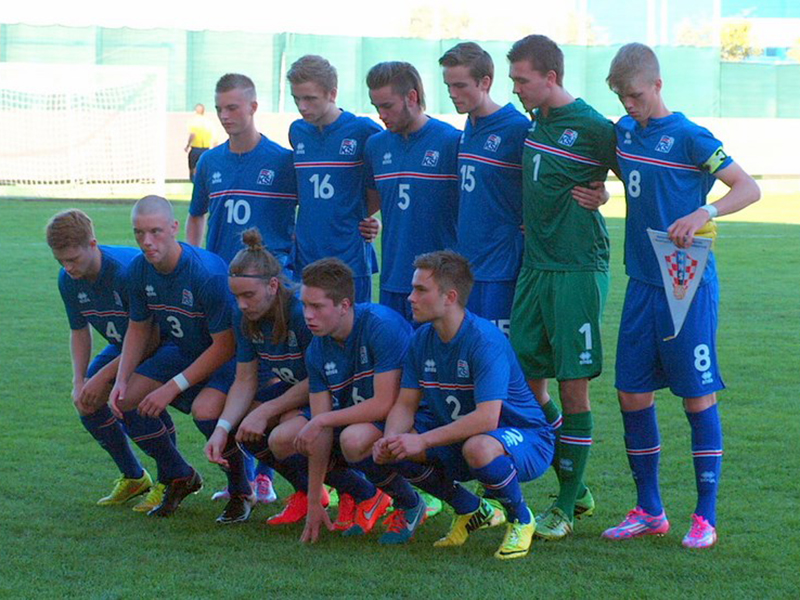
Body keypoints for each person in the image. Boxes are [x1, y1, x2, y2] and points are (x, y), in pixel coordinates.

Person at [601, 43, 760, 549]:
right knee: (631, 393)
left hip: (686, 285)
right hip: (642, 283)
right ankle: (649, 510)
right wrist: (599, 191)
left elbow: (747, 187)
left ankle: (704, 517)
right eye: (622, 97)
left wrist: (704, 211)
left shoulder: (692, 137)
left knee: (696, 396)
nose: (630, 105)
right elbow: (629, 179)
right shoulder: (624, 133)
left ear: (658, 84)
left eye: (636, 95)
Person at [506, 34, 618, 540]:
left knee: (573, 386)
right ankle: (579, 485)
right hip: (535, 267)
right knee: (528, 383)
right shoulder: (536, 120)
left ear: (550, 77)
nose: (516, 89)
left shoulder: (594, 127)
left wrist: (606, 192)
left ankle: (567, 506)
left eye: (522, 80)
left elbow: (636, 178)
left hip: (577, 268)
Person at [374, 250, 555, 559]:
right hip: (461, 437)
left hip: (525, 437)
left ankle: (521, 518)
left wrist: (422, 440)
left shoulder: (484, 341)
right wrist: (391, 440)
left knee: (478, 447)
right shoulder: (421, 339)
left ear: (450, 297)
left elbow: (487, 419)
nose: (410, 298)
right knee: (397, 448)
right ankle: (469, 508)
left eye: (420, 290)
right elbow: (405, 404)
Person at [109, 195, 252, 522]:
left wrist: (171, 387)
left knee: (205, 410)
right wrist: (121, 379)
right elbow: (138, 326)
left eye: (155, 231)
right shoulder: (139, 269)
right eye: (139, 233)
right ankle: (179, 475)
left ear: (174, 228)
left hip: (227, 357)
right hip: (184, 350)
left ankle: (241, 490)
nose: (146, 241)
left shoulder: (206, 274)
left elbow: (225, 346)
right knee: (126, 399)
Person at [268, 258, 416, 544]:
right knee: (283, 439)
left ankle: (409, 502)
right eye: (305, 305)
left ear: (344, 305)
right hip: (357, 419)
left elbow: (384, 404)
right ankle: (364, 494)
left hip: (408, 418)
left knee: (352, 439)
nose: (308, 315)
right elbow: (320, 431)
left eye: (317, 306)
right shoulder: (317, 348)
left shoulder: (380, 326)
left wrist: (322, 420)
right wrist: (314, 500)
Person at [204, 227, 325, 525]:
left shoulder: (301, 312)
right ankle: (307, 492)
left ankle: (362, 493)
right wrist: (221, 429)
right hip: (300, 391)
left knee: (284, 433)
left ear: (273, 285)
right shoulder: (243, 315)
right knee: (238, 425)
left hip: (331, 393)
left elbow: (323, 379)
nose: (241, 304)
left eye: (248, 295)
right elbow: (245, 379)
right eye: (236, 296)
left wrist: (269, 410)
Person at [47, 209, 161, 506]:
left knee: (128, 398)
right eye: (60, 261)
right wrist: (78, 381)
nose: (67, 267)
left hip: (163, 344)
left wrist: (104, 376)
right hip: (124, 346)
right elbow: (78, 330)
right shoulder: (68, 279)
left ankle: (173, 477)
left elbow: (150, 337)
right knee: (86, 400)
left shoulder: (123, 272)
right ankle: (134, 477)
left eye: (73, 259)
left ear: (93, 244)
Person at [439, 42, 529, 336]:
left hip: (501, 268)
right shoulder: (468, 128)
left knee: (497, 352)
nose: (453, 93)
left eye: (460, 85)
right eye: (448, 86)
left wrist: (598, 192)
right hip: (467, 268)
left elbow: (545, 183)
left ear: (485, 82)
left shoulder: (516, 129)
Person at [363, 61, 460, 322]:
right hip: (392, 280)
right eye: (376, 107)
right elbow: (374, 201)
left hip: (438, 285)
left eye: (387, 106)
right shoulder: (375, 146)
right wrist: (368, 222)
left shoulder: (450, 141)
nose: (381, 115)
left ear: (412, 97)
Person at [286, 54, 381, 303]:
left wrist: (363, 215)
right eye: (296, 98)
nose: (302, 106)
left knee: (353, 322)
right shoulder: (297, 131)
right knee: (308, 323)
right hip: (306, 255)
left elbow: (382, 186)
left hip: (349, 255)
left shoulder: (364, 131)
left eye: (310, 98)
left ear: (332, 93)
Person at [186, 73, 297, 266]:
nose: (224, 116)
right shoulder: (209, 161)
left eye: (232, 108)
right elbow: (196, 214)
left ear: (253, 107)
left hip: (270, 275)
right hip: (222, 272)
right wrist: (194, 260)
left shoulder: (283, 161)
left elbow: (312, 212)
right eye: (219, 109)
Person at [184, 103, 213, 182]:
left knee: (193, 169)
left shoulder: (193, 121)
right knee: (205, 170)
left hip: (195, 149)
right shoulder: (208, 122)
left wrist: (187, 146)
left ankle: (195, 183)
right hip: (206, 149)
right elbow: (214, 138)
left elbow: (192, 134)